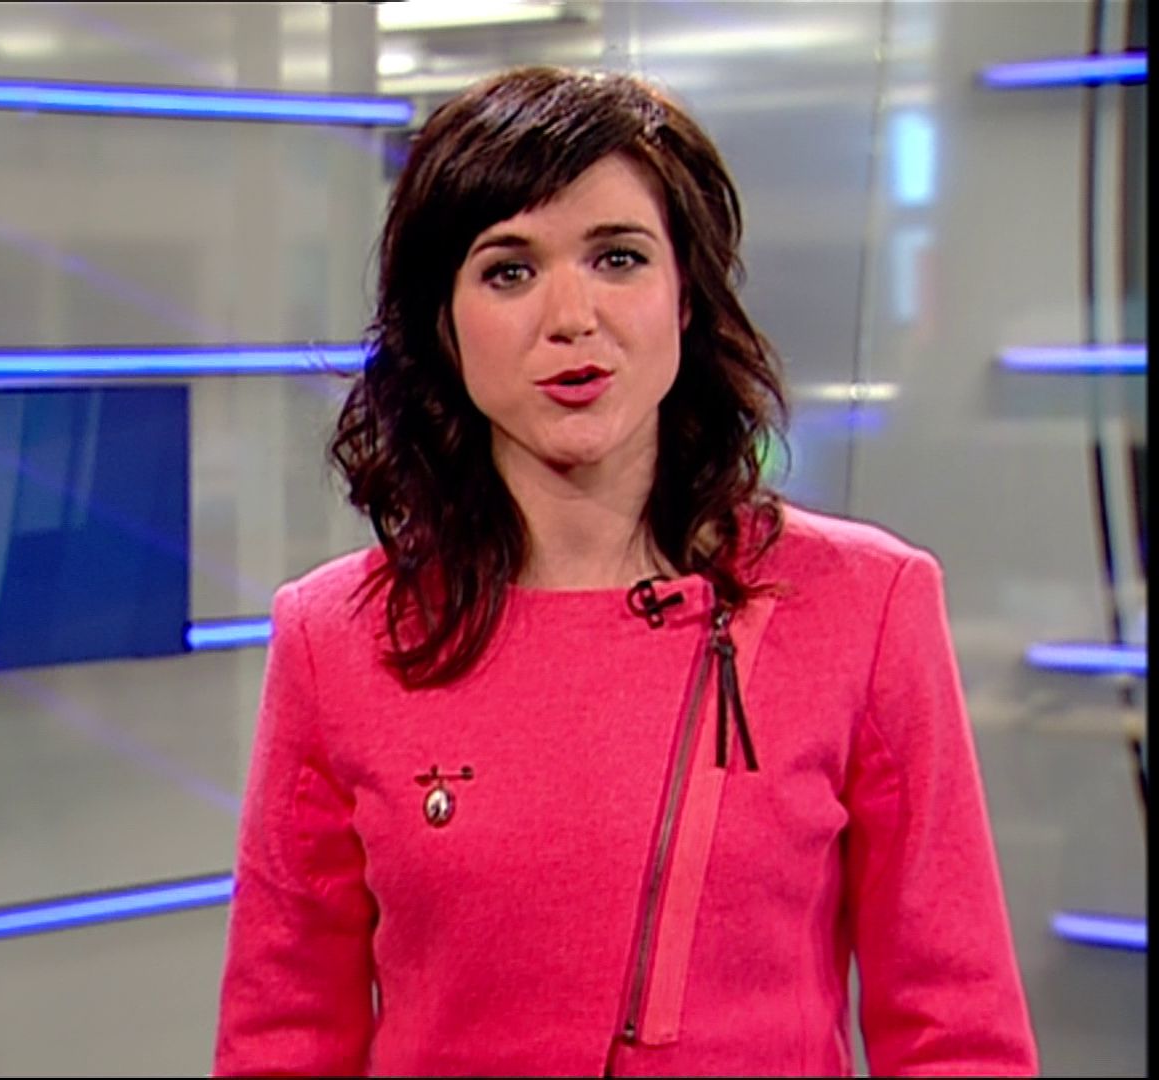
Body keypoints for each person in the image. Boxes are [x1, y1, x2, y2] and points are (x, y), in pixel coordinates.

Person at [212, 66, 1038, 1077]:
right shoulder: (334, 638)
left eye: (618, 258)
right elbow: (284, 1042)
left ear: (686, 296)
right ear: (441, 322)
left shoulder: (866, 606)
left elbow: (957, 1037)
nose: (572, 316)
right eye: (508, 270)